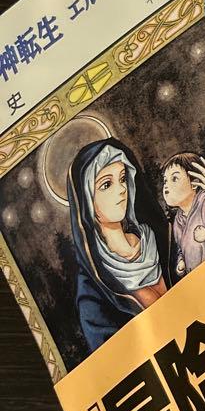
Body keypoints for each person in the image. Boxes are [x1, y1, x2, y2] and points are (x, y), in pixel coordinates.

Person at [68, 138, 169, 352]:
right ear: (87, 201)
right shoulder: (92, 291)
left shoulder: (161, 237)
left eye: (123, 178)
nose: (122, 189)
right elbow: (113, 357)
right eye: (106, 184)